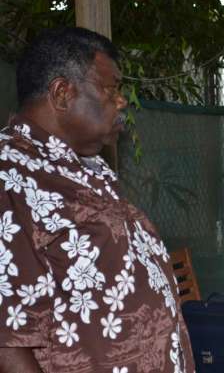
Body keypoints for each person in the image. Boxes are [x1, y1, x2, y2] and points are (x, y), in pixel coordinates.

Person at [0, 27, 194, 372]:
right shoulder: (11, 176)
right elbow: (8, 343)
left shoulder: (84, 168)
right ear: (62, 93)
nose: (121, 101)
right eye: (110, 89)